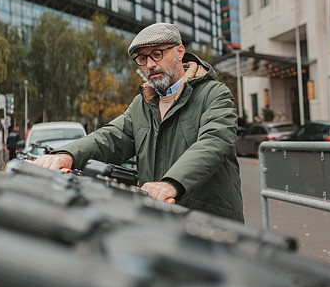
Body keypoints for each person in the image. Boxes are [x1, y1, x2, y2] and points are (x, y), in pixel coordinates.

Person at [32, 22, 244, 221]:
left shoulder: (214, 94)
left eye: (157, 54)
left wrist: (171, 184)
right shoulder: (142, 104)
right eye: (143, 59)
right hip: (158, 222)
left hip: (209, 224)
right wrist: (66, 155)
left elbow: (214, 142)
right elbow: (110, 137)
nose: (150, 64)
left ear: (179, 52)